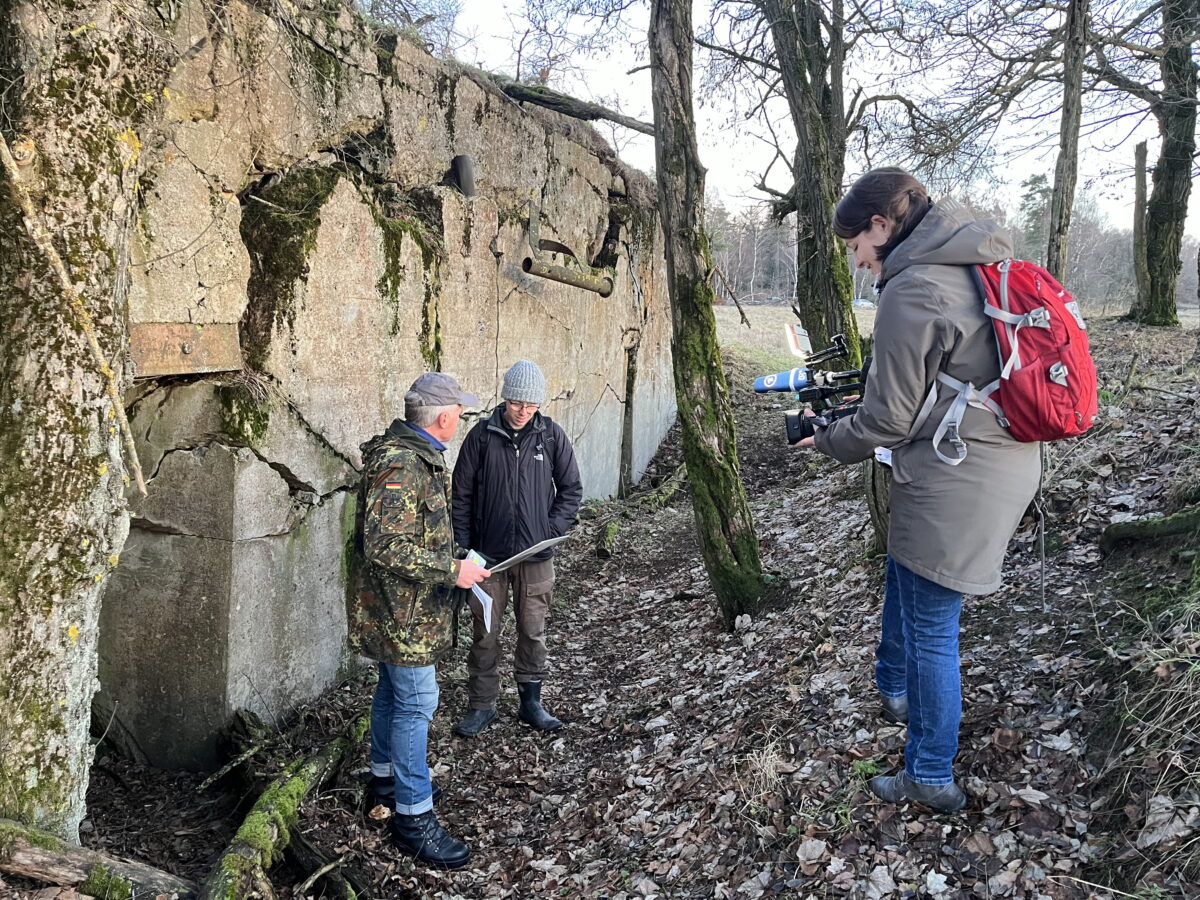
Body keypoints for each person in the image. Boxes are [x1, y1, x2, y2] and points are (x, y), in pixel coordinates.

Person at [797, 168, 1041, 812]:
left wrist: (823, 440)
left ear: (882, 227)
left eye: (856, 248)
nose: (858, 263)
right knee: (906, 581)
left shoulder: (914, 288)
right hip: (994, 460)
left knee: (934, 627)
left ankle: (929, 771)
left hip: (959, 475)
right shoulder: (967, 258)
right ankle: (898, 692)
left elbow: (886, 421)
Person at [347, 372, 491, 869]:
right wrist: (453, 570)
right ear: (445, 417)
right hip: (400, 615)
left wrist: (457, 559)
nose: (461, 421)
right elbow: (385, 545)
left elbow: (414, 534)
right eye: (460, 414)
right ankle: (414, 818)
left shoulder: (417, 458)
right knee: (416, 702)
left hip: (404, 612)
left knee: (392, 695)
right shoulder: (403, 464)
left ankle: (385, 786)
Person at [451, 360, 584, 738]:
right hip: (487, 561)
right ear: (505, 398)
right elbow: (460, 495)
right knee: (485, 632)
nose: (523, 411)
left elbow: (571, 490)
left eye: (531, 405)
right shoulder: (480, 437)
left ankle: (531, 703)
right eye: (516, 403)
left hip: (536, 557)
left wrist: (550, 530)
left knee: (532, 630)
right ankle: (482, 705)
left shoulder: (552, 437)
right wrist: (465, 546)